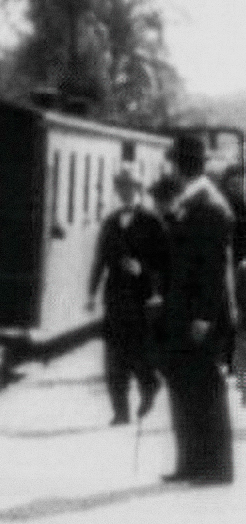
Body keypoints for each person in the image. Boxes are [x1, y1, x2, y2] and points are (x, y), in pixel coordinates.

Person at [159, 134, 236, 484]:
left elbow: (213, 267)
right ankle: (190, 461)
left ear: (180, 165)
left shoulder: (210, 205)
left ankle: (216, 466)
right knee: (184, 384)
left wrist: (205, 315)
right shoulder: (192, 201)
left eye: (174, 162)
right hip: (182, 310)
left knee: (205, 386)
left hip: (200, 315)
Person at [88, 168, 167, 425]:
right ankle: (120, 411)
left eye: (128, 186)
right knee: (113, 357)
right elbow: (100, 258)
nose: (123, 191)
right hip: (114, 296)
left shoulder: (152, 221)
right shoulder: (110, 221)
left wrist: (142, 268)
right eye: (119, 186)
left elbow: (165, 261)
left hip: (142, 298)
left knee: (140, 354)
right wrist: (91, 292)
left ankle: (149, 387)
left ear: (138, 188)